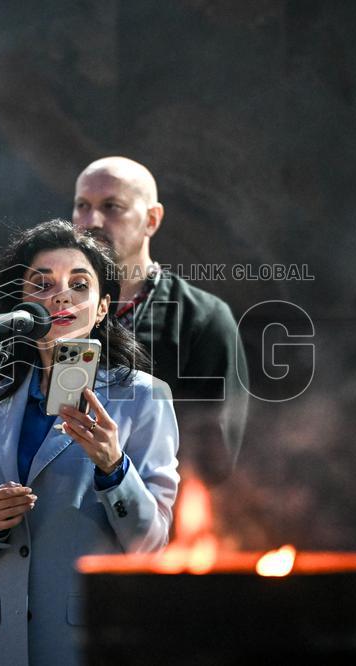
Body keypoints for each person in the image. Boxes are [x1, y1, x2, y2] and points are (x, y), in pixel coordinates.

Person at [0, 219, 179, 666]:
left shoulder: (142, 397)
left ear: (102, 307)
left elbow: (153, 545)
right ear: (20, 304)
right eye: (42, 284)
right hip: (3, 642)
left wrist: (115, 468)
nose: (61, 296)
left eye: (79, 285)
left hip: (88, 636)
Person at [72, 156, 247, 484]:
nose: (91, 220)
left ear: (151, 219)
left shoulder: (201, 319)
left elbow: (212, 460)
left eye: (111, 207)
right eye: (82, 206)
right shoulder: (50, 310)